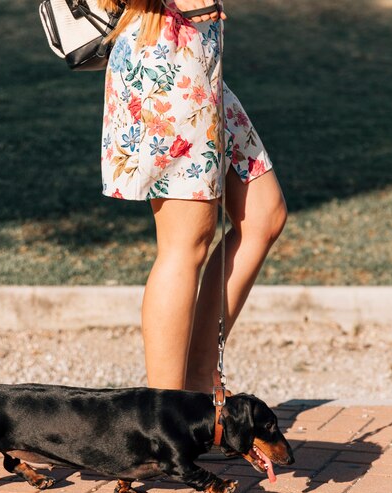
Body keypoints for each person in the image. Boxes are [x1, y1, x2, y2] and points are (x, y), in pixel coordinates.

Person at [98, 0, 287, 393]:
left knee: (264, 216)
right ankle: (165, 420)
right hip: (167, 64)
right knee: (185, 245)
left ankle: (199, 381)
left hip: (200, 64)